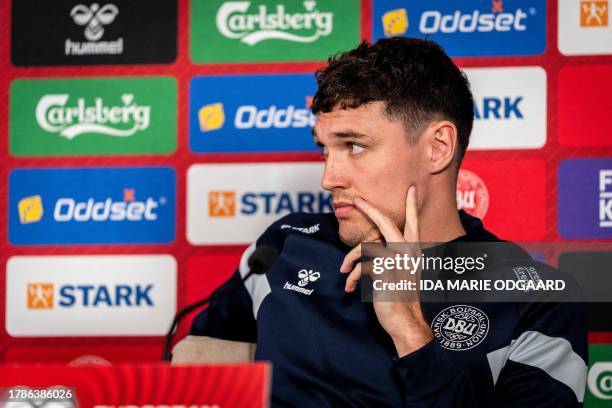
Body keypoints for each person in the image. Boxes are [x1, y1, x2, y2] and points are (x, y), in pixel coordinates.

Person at [190, 38, 587, 407]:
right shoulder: (283, 244)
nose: (329, 178)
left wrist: (410, 332)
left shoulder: (537, 300)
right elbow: (199, 356)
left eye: (355, 146)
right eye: (325, 150)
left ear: (437, 148)